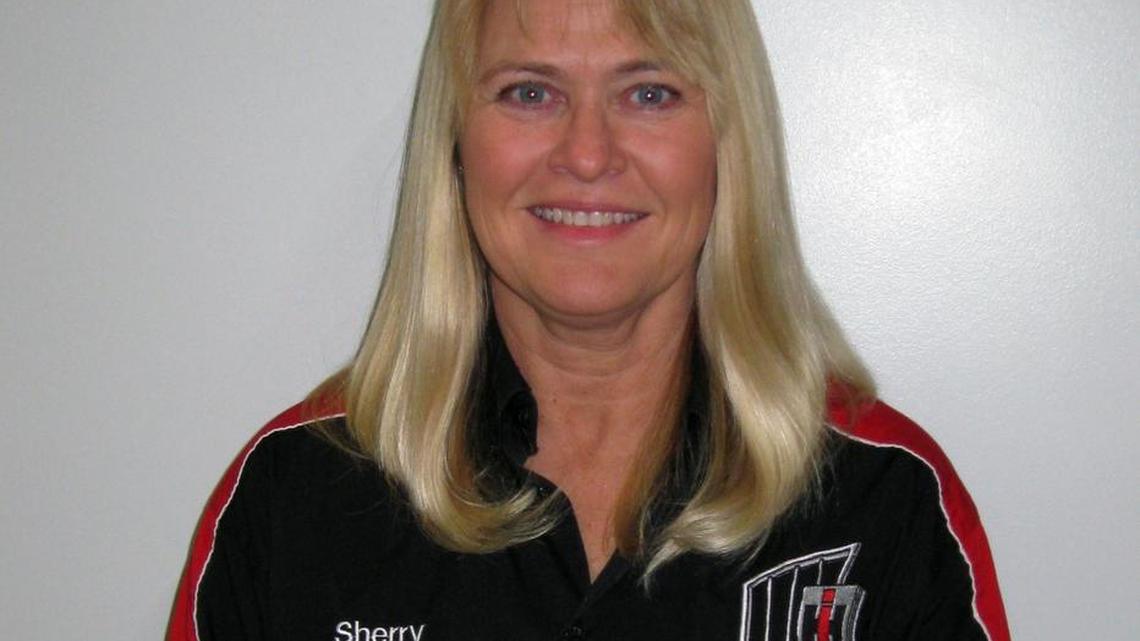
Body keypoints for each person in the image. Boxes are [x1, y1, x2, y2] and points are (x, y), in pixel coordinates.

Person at [168, 1, 1010, 639]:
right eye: (529, 92)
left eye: (649, 92)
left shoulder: (887, 502)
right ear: (455, 140)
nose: (587, 154)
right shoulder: (292, 498)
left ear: (728, 140)